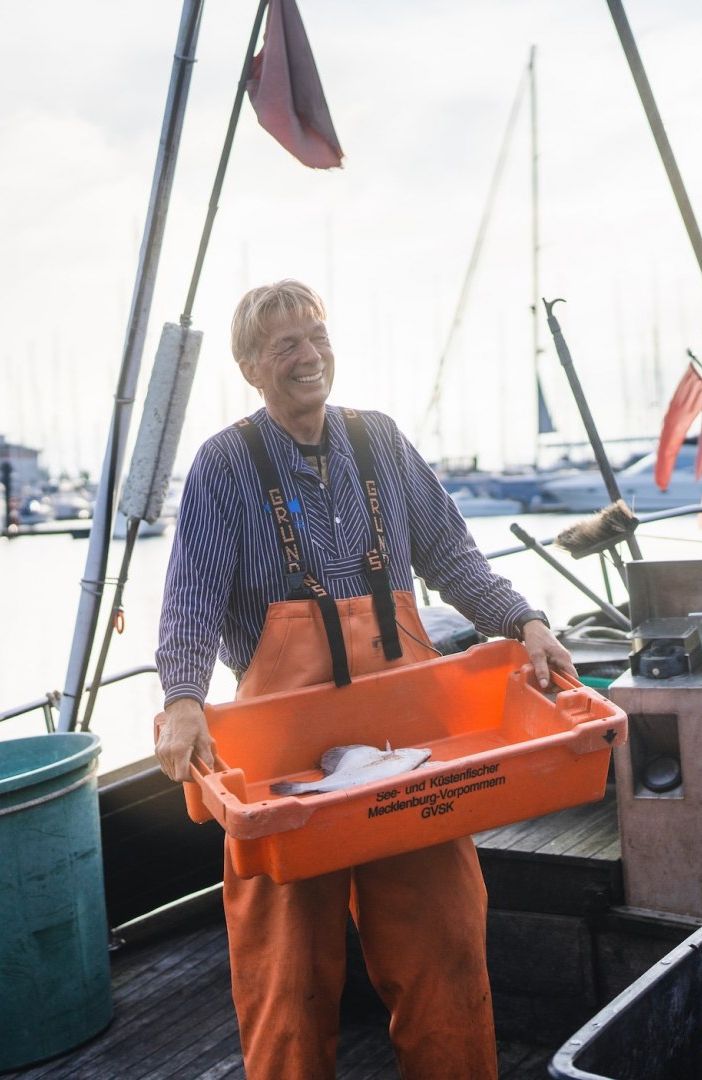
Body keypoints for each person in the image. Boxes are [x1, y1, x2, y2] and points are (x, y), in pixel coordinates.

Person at [153, 279, 574, 1080]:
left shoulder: (380, 440)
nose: (307, 355)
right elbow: (192, 602)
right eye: (284, 344)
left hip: (405, 752)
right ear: (249, 367)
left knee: (447, 951)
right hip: (284, 772)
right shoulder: (221, 466)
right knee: (288, 978)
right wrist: (181, 700)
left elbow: (453, 557)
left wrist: (527, 623)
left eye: (315, 335)